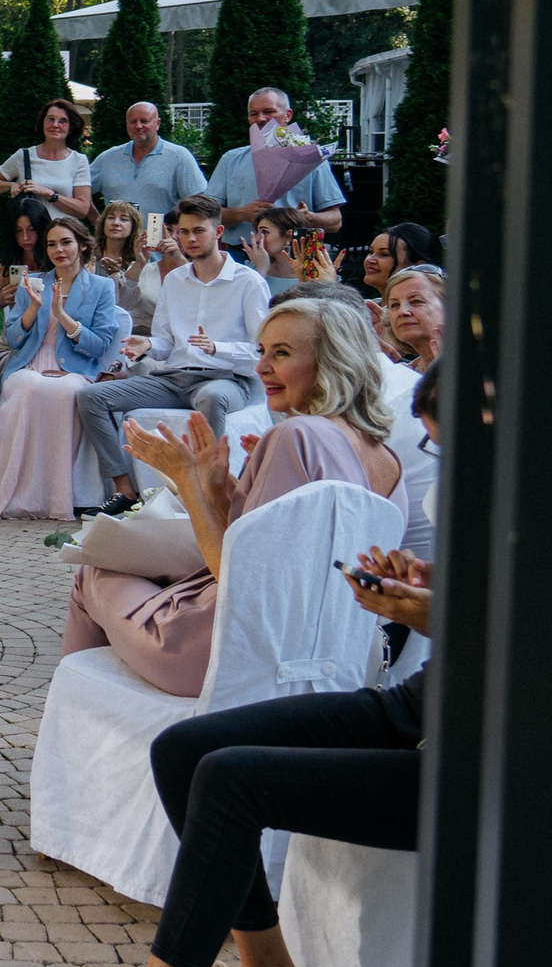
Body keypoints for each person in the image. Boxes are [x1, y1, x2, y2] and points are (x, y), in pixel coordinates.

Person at [11, 534, 552, 967]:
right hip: (426, 708)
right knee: (186, 750)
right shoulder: (545, 493)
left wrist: (459, 626)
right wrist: (440, 595)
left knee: (230, 780)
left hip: (494, 773)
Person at [64, 296, 403, 698]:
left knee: (93, 572)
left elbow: (241, 578)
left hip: (226, 654)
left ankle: (78, 719)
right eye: (262, 351)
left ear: (334, 361)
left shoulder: (295, 436)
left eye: (281, 353)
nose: (261, 368)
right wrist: (219, 487)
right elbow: (284, 558)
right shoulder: (385, 455)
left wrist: (186, 478)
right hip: (321, 652)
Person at [75, 195, 272, 516]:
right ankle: (125, 489)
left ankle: (206, 492)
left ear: (218, 231)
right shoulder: (175, 280)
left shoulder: (248, 282)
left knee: (211, 396)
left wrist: (216, 348)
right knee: (90, 397)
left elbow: (261, 351)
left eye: (198, 231)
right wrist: (148, 345)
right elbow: (166, 342)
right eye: (183, 232)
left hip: (227, 380)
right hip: (175, 378)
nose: (190, 239)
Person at [0, 216, 125, 522]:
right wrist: (32, 308)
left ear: (82, 245)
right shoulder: (32, 283)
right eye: (52, 244)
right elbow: (14, 339)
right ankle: (19, 495)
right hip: (29, 363)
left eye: (66, 242)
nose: (59, 249)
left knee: (66, 391)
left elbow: (99, 346)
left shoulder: (101, 287)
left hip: (77, 368)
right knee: (27, 387)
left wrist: (63, 317)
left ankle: (57, 498)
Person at [203, 86, 344, 255]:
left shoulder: (311, 158)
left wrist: (307, 217)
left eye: (268, 111)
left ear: (288, 115)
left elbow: (336, 222)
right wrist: (240, 214)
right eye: (253, 113)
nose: (260, 119)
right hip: (242, 254)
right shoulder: (231, 159)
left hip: (297, 255)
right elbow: (206, 215)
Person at [88, 101, 205, 221]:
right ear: (127, 124)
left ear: (157, 123)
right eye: (133, 122)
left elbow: (199, 203)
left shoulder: (179, 157)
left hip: (161, 238)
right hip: (118, 239)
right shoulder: (108, 158)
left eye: (144, 121)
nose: (138, 126)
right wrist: (98, 222)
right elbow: (79, 191)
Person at [0, 98, 95, 220]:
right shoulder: (24, 156)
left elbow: (83, 209)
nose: (55, 125)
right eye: (50, 119)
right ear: (42, 123)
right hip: (31, 235)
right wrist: (11, 185)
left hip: (64, 234)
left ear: (71, 128)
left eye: (62, 121)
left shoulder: (78, 161)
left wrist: (49, 193)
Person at [90, 201, 157, 339]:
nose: (116, 223)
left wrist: (119, 275)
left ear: (133, 226)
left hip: (126, 328)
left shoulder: (141, 259)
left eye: (124, 219)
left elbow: (128, 304)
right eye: (110, 217)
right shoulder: (88, 256)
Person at [0, 197, 52, 315]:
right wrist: (0, 301)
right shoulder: (4, 270)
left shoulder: (57, 264)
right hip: (17, 330)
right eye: (18, 230)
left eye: (31, 229)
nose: (25, 237)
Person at [381, 262, 446, 371]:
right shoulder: (401, 376)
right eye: (395, 305)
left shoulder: (478, 365)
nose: (402, 311)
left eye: (416, 301)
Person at [360, 221, 439, 297]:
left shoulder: (431, 310)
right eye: (371, 252)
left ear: (418, 267)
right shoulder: (363, 308)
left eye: (384, 254)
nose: (370, 260)